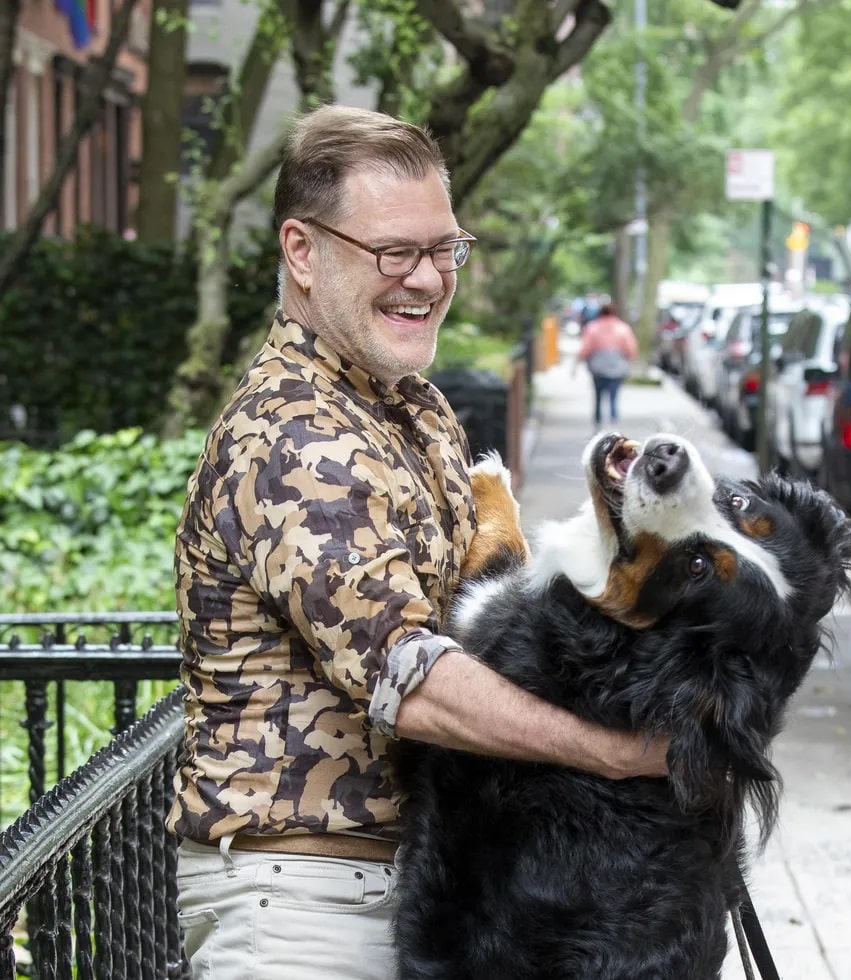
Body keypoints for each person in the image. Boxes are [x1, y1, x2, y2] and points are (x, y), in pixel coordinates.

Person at [167, 103, 670, 980]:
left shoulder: (413, 407)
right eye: (395, 252)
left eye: (445, 250)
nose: (430, 279)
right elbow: (413, 678)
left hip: (415, 892)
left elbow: (482, 612)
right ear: (301, 251)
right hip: (300, 910)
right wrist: (624, 755)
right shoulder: (294, 436)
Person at [577, 301, 639, 427]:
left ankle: (598, 421)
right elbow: (631, 350)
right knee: (613, 396)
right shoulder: (623, 328)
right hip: (617, 368)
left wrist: (578, 361)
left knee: (598, 396)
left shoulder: (592, 327)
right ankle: (613, 421)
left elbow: (585, 348)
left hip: (598, 368)